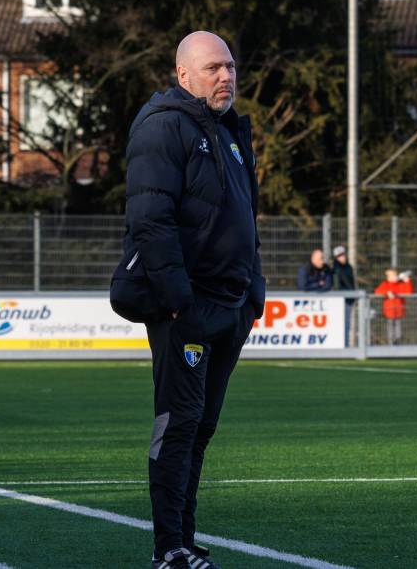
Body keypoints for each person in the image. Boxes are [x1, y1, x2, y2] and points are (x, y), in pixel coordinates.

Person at [110, 30, 263, 569]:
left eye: (231, 66)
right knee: (178, 425)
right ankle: (167, 549)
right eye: (213, 68)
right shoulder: (165, 127)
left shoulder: (229, 131)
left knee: (201, 428)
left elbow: (246, 219)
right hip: (188, 308)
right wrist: (180, 303)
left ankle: (185, 542)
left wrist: (254, 295)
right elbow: (150, 221)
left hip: (230, 307)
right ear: (183, 76)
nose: (226, 76)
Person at [373, 268, 413, 345]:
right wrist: (387, 292)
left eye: (394, 275)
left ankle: (397, 344)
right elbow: (377, 291)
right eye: (390, 276)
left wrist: (407, 281)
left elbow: (409, 292)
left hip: (399, 312)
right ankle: (391, 345)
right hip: (389, 312)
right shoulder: (385, 284)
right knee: (390, 330)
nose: (393, 277)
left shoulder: (400, 284)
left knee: (398, 331)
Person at [331, 246, 356, 343]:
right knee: (342, 324)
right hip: (342, 300)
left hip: (349, 299)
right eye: (339, 256)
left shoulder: (348, 267)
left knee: (347, 324)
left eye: (343, 254)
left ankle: (345, 345)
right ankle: (343, 345)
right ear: (336, 257)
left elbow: (351, 282)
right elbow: (337, 287)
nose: (343, 257)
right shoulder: (336, 269)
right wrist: (349, 292)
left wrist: (352, 294)